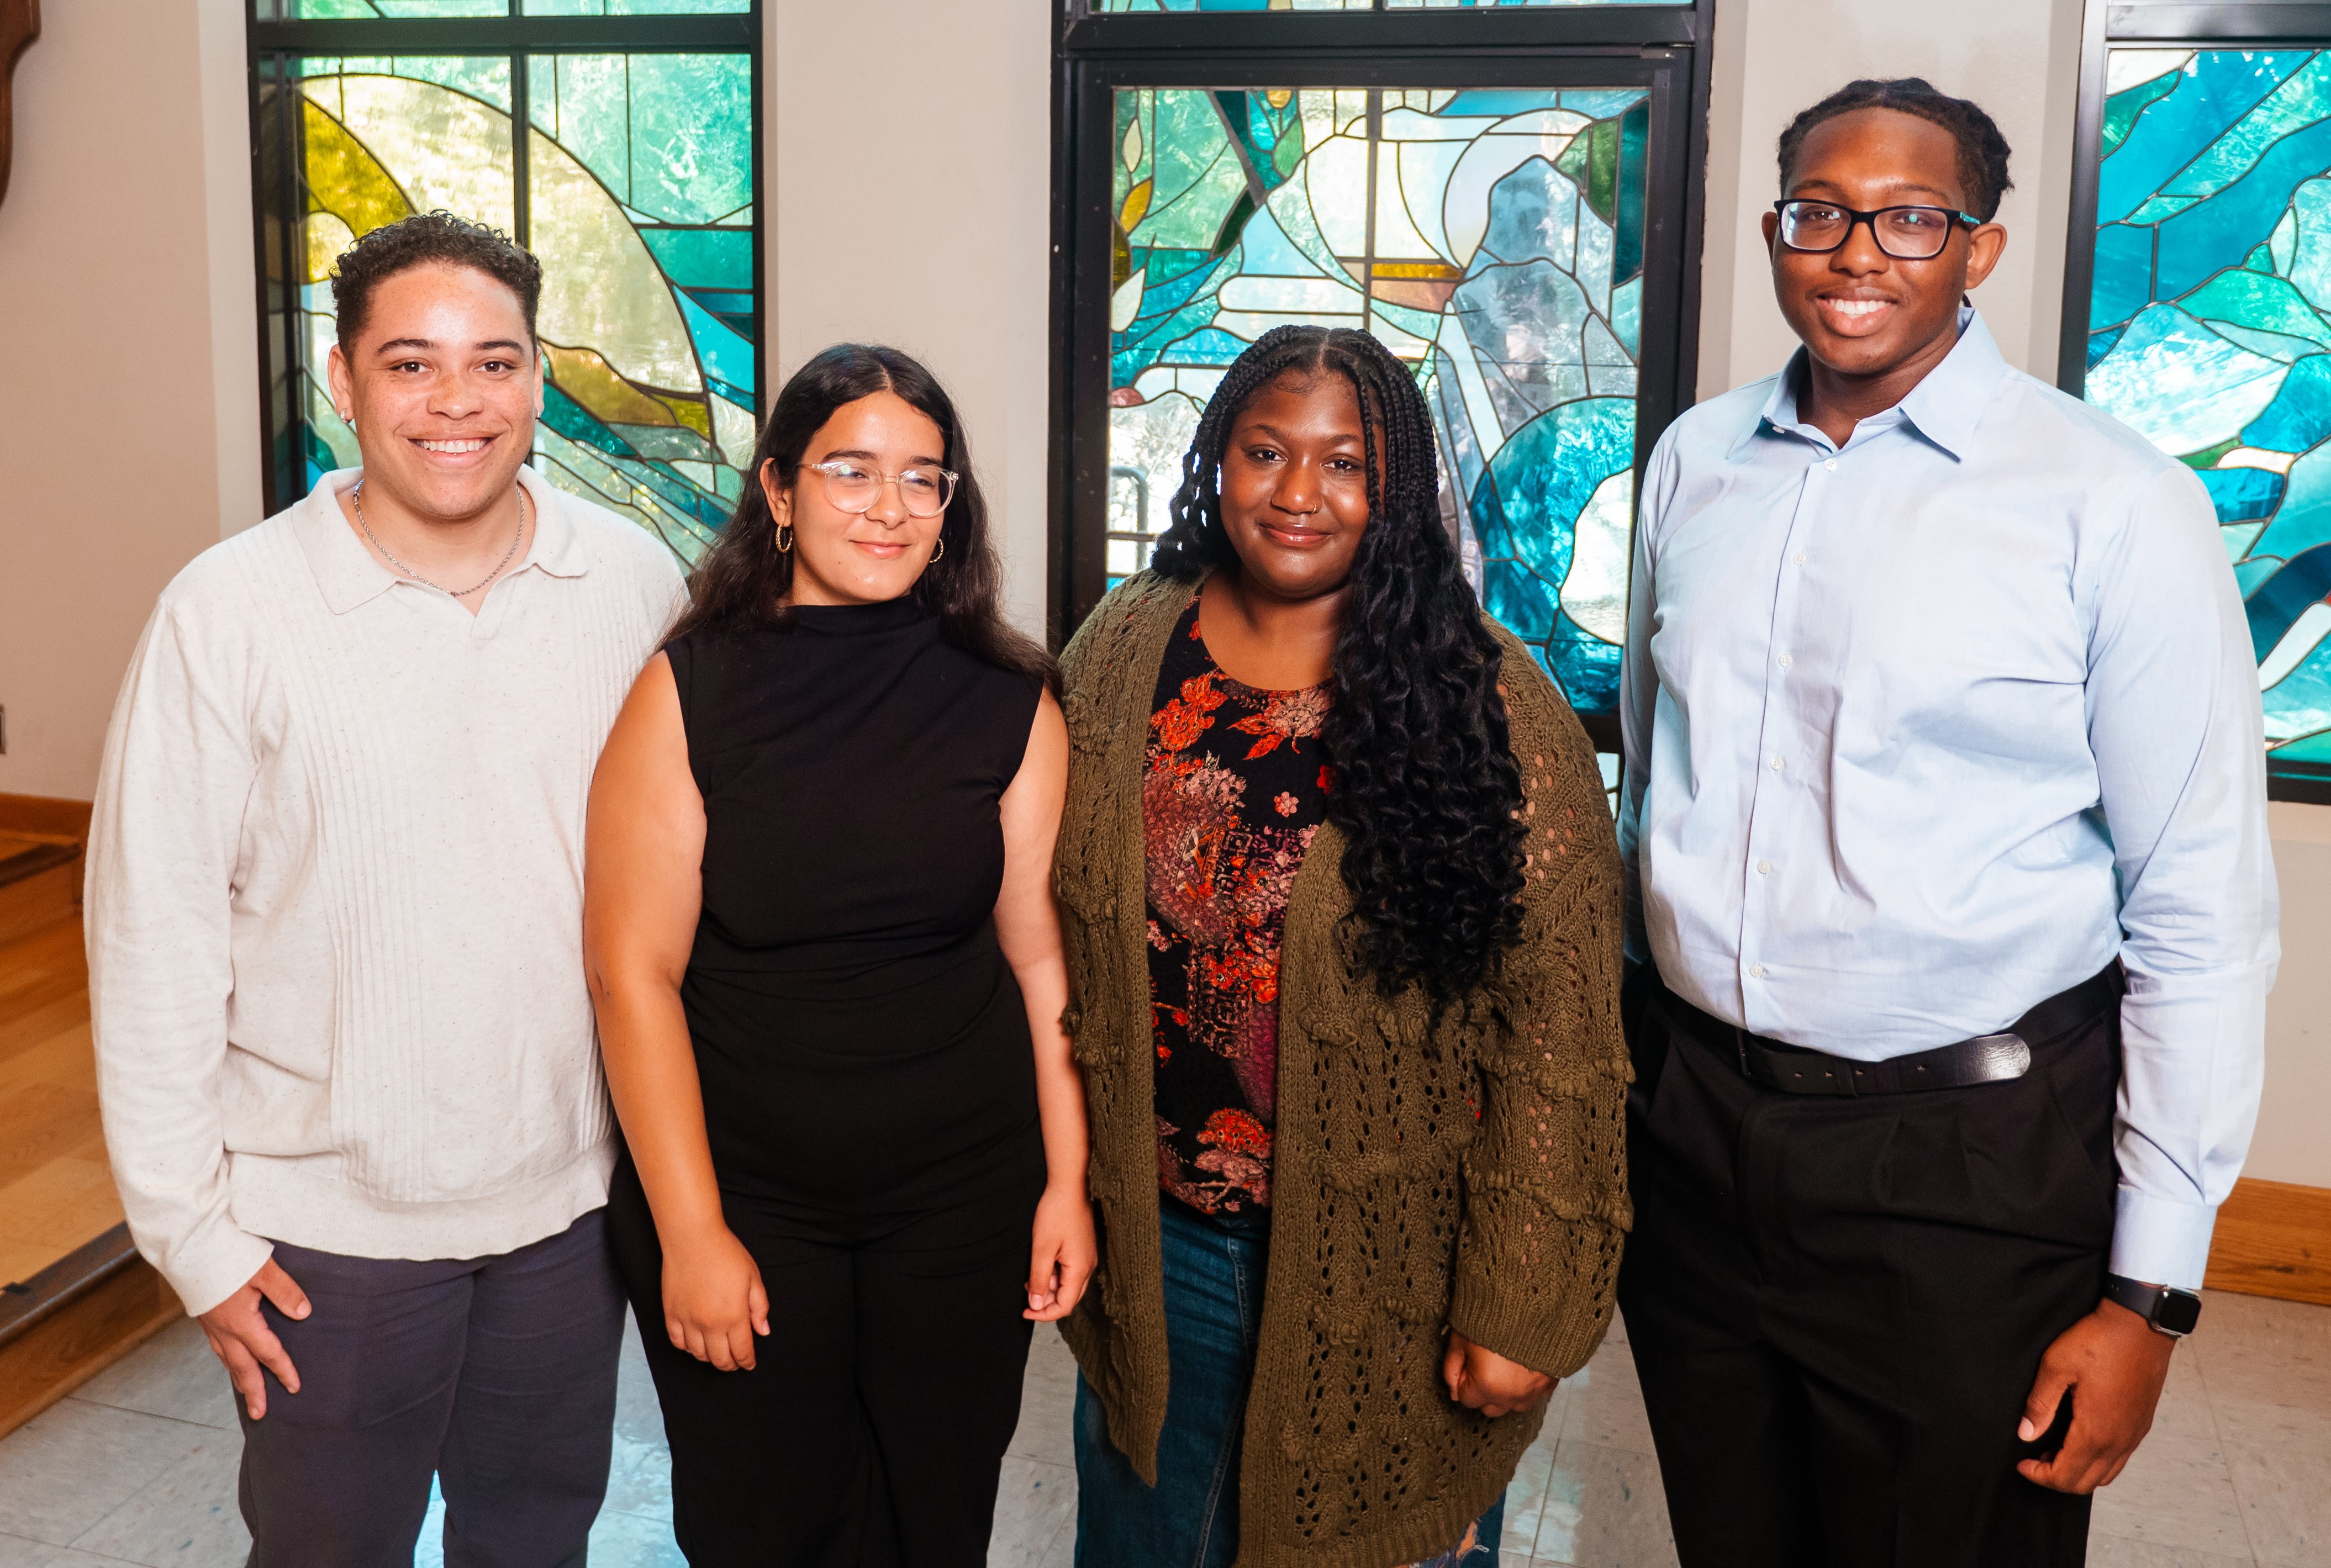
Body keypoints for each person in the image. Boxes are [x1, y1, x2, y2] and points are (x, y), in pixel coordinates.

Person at [1616, 78, 2279, 1567]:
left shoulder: (2111, 503)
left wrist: (2146, 1298)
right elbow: (1654, 783)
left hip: (1967, 1167)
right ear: (1774, 230)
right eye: (1820, 213)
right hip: (1699, 1144)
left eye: (1911, 217)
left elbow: (2198, 914)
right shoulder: (1693, 464)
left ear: (1977, 249)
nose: (1859, 251)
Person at [85, 212, 687, 1566]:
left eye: (495, 361)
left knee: (534, 1542)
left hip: (564, 1210)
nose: (457, 401)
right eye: (410, 365)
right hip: (323, 1235)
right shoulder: (228, 614)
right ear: (343, 381)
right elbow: (153, 938)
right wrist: (194, 1237)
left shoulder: (631, 584)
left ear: (540, 378)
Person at [1054, 324, 1629, 1568]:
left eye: (1343, 462)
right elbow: (1047, 925)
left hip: (1388, 1257)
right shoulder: (1122, 648)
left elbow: (1559, 1026)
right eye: (1266, 451)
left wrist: (1520, 1290)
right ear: (1217, 459)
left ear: (1396, 487)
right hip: (1151, 1241)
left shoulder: (1491, 703)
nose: (1299, 492)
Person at [583, 342, 1096, 1566]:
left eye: (925, 480)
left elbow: (1039, 965)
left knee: (935, 1516)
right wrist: (693, 1230)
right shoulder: (688, 688)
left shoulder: (1010, 696)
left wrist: (1065, 1183)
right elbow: (630, 974)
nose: (890, 507)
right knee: (761, 1523)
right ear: (777, 490)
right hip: (749, 1200)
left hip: (964, 1202)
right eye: (851, 471)